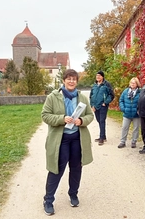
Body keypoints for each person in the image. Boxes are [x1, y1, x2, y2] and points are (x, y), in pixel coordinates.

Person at [41, 69, 94, 216]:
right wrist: (61, 119)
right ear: (64, 80)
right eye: (69, 79)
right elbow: (45, 115)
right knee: (56, 169)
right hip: (61, 139)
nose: (71, 81)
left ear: (77, 81)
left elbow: (90, 115)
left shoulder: (82, 98)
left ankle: (73, 194)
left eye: (74, 79)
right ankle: (48, 200)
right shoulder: (53, 97)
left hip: (77, 138)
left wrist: (81, 121)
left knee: (76, 168)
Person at [90, 70, 115, 145]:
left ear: (102, 77)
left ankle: (101, 138)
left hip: (103, 106)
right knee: (98, 120)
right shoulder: (94, 86)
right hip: (95, 106)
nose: (97, 77)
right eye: (97, 75)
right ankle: (103, 136)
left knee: (102, 121)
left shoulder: (106, 85)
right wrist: (92, 105)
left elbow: (111, 95)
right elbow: (91, 96)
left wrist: (106, 102)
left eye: (99, 76)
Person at [118, 77, 141, 148]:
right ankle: (122, 141)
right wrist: (123, 108)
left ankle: (134, 141)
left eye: (134, 83)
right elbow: (121, 100)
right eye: (131, 83)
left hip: (136, 114)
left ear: (137, 84)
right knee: (124, 127)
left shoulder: (140, 92)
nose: (132, 84)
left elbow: (143, 101)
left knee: (136, 128)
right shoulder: (126, 91)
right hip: (126, 113)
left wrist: (139, 110)